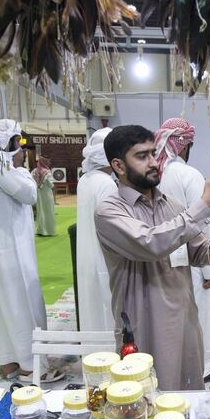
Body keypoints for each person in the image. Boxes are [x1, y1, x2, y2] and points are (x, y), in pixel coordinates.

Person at [95, 125, 210, 390]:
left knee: (188, 395)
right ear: (118, 166)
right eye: (142, 156)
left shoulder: (171, 205)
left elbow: (199, 250)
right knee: (147, 400)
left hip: (184, 321)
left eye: (154, 153)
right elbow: (151, 243)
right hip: (143, 324)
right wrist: (205, 204)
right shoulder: (109, 211)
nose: (153, 162)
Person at [0, 119, 63, 382]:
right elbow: (28, 193)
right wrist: (20, 167)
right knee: (20, 303)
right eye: (18, 142)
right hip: (8, 250)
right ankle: (31, 366)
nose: (21, 149)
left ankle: (8, 363)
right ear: (8, 142)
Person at [154, 118, 210, 376]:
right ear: (185, 145)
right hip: (193, 258)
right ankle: (204, 367)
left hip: (161, 256)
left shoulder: (156, 172)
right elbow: (201, 223)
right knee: (201, 314)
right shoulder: (189, 175)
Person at [76, 128, 117, 333]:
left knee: (92, 310)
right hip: (103, 259)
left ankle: (93, 357)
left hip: (86, 257)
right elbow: (112, 230)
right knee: (108, 311)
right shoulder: (106, 184)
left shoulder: (86, 179)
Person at [32, 156, 57, 236]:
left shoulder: (34, 171)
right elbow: (51, 184)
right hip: (47, 195)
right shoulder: (47, 172)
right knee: (48, 211)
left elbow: (31, 182)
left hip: (38, 194)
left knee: (40, 211)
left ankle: (40, 230)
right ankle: (49, 231)